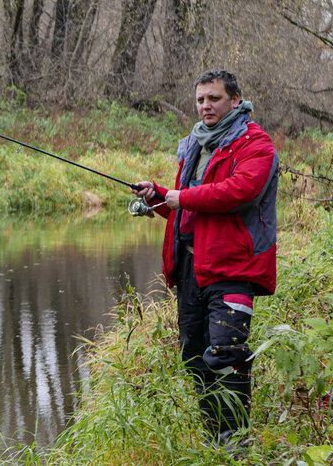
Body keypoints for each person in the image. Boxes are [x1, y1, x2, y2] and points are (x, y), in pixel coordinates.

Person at [132, 69, 279, 453]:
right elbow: (190, 210)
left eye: (213, 98)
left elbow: (239, 192)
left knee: (226, 355)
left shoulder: (256, 144)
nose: (205, 106)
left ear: (234, 99)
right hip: (191, 270)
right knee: (194, 356)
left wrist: (181, 197)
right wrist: (159, 196)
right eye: (200, 99)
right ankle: (216, 442)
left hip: (234, 270)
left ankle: (237, 446)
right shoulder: (197, 144)